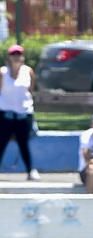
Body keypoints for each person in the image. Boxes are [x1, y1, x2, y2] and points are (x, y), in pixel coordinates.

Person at [0, 44, 39, 181]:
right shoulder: (2, 73)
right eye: (13, 55)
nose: (16, 57)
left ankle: (30, 170)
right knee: (1, 142)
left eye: (18, 54)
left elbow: (30, 91)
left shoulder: (28, 71)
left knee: (23, 143)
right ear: (9, 57)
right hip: (5, 113)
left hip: (23, 113)